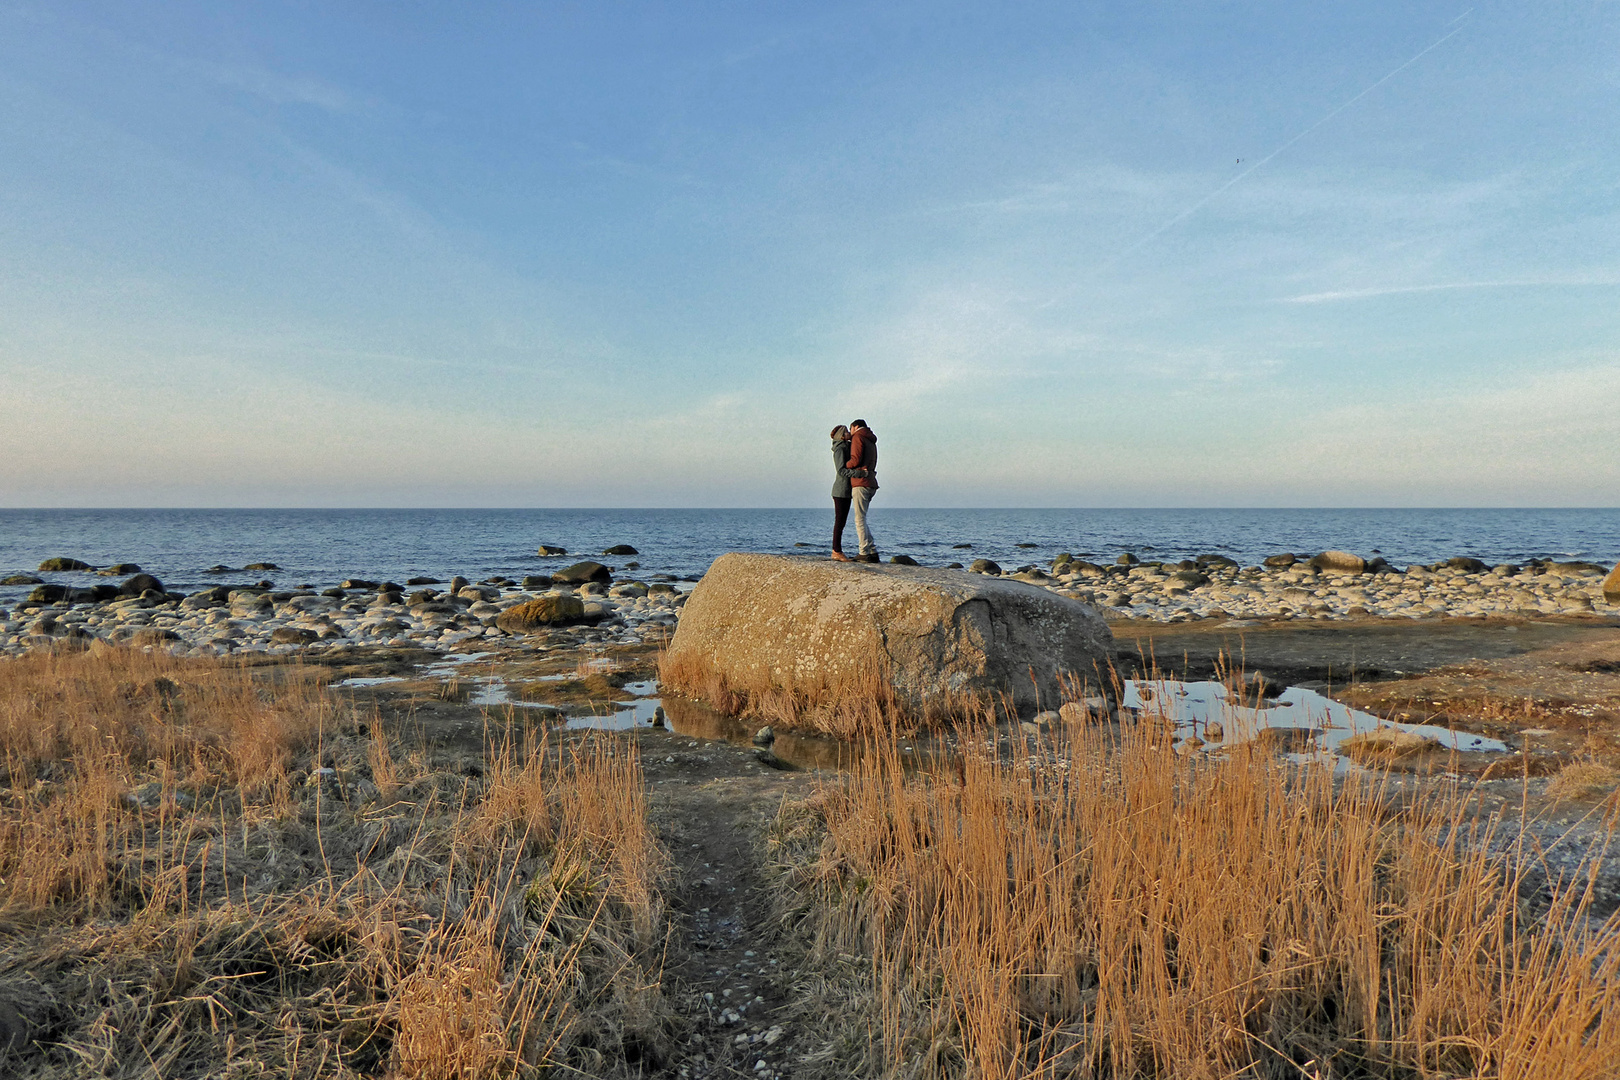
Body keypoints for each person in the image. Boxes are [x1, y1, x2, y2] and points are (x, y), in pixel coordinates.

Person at [846, 419, 879, 562]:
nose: (850, 432)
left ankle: (864, 551)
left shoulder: (858, 437)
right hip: (871, 482)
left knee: (859, 519)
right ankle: (871, 550)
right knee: (863, 518)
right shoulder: (870, 440)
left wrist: (844, 465)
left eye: (850, 429)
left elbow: (856, 460)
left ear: (856, 427)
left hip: (861, 482)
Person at [829, 425, 855, 561]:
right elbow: (841, 470)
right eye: (846, 431)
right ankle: (836, 551)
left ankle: (837, 550)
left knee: (842, 521)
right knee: (839, 521)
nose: (849, 433)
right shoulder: (839, 449)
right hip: (840, 490)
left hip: (845, 490)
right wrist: (858, 473)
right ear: (842, 435)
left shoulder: (846, 446)